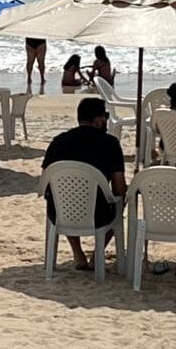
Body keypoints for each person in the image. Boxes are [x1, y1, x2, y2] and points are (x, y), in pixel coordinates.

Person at [41, 97, 126, 271]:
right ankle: (97, 253)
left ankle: (78, 253)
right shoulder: (110, 144)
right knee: (121, 199)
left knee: (65, 198)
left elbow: (46, 182)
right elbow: (119, 188)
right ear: (97, 120)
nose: (106, 121)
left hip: (59, 212)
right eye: (106, 117)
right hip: (99, 214)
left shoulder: (58, 141)